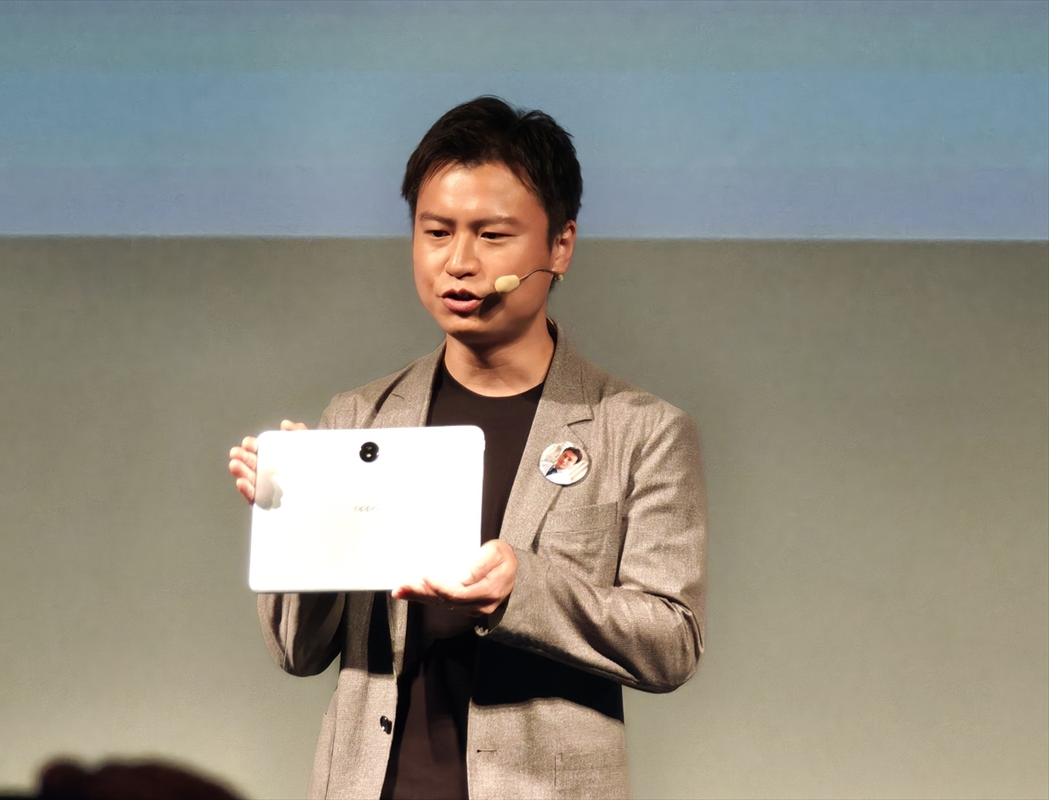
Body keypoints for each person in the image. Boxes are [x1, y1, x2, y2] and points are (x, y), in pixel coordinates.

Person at [228, 96, 706, 800]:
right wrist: (298, 520)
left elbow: (672, 642)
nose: (458, 262)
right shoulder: (360, 418)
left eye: (491, 235)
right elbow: (297, 652)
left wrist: (522, 588)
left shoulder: (640, 431)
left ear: (560, 246)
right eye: (436, 232)